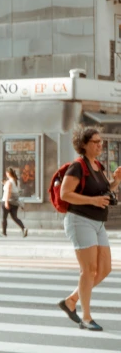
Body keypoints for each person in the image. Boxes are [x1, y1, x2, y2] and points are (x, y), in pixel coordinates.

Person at [59, 126, 121, 331]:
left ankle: (71, 300)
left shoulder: (97, 166)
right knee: (89, 270)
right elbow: (64, 194)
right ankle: (86, 317)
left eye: (100, 141)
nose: (99, 144)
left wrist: (116, 182)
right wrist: (92, 201)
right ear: (84, 145)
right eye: (95, 141)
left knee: (105, 269)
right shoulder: (77, 166)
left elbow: (103, 190)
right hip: (80, 220)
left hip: (97, 222)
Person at [0, 167, 27, 238]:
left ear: (8, 173)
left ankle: (4, 233)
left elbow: (8, 191)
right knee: (15, 217)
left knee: (4, 218)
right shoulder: (16, 181)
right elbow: (16, 190)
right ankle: (23, 228)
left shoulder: (9, 182)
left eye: (6, 173)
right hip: (15, 202)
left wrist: (6, 202)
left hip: (7, 200)